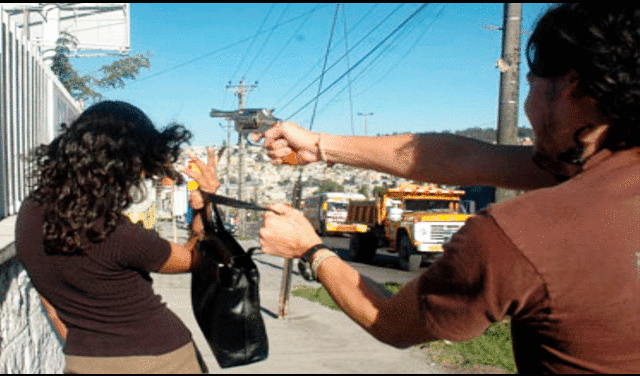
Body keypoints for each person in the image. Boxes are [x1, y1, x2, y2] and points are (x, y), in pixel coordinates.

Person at [254, 4, 640, 373]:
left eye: (533, 86)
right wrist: (321, 145)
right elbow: (465, 159)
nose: (529, 106)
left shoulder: (516, 235)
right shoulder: (598, 171)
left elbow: (391, 323)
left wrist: (312, 250)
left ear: (571, 86)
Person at [15, 101, 220, 373]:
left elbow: (50, 306)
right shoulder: (116, 234)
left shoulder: (29, 214)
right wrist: (206, 202)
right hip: (159, 359)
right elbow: (199, 260)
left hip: (82, 361)